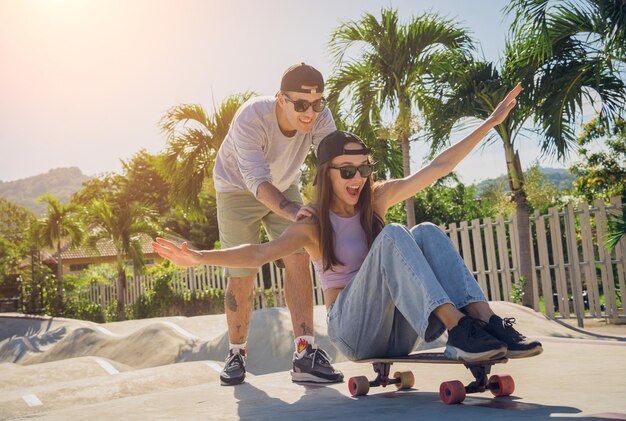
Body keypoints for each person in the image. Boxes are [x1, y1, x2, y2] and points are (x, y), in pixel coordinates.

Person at [153, 84, 542, 370]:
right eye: (347, 171)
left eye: (365, 169)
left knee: (424, 231)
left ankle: (486, 323)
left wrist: (490, 123)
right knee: (392, 235)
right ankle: (459, 331)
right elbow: (258, 254)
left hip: (399, 330)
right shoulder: (313, 226)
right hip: (352, 332)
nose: (358, 179)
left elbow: (437, 167)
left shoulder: (376, 198)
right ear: (327, 175)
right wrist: (200, 256)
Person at [210, 63, 342, 385]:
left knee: (298, 257)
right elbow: (256, 181)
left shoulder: (320, 116)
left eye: (317, 103)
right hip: (237, 189)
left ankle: (304, 352)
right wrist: (293, 210)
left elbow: (331, 164)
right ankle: (237, 353)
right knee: (243, 271)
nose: (310, 113)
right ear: (281, 99)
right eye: (301, 105)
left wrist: (329, 206)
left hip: (284, 185)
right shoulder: (251, 117)